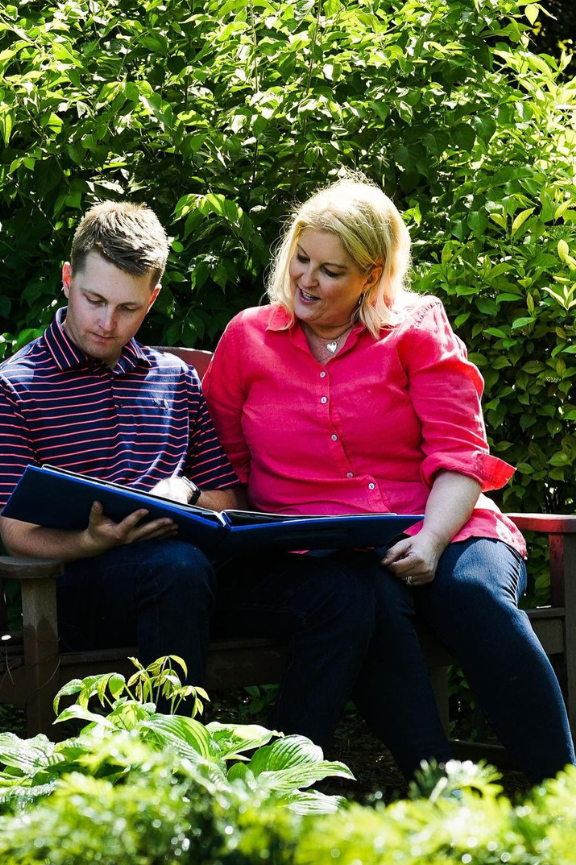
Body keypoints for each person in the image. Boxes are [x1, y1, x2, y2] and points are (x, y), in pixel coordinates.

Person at [203, 173, 575, 782]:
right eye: (301, 258)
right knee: (364, 598)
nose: (306, 279)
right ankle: (442, 792)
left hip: (445, 526)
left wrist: (429, 540)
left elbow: (460, 455)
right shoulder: (249, 338)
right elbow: (222, 463)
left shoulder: (417, 328)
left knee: (472, 597)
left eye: (331, 270)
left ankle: (563, 797)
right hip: (323, 551)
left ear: (371, 276)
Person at [0, 201, 377, 742]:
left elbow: (224, 501)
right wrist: (92, 541)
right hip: (76, 592)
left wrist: (184, 495)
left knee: (341, 591)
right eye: (94, 300)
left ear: (152, 299)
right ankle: (178, 780)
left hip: (188, 577)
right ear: (68, 280)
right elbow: (16, 535)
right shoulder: (14, 387)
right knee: (176, 567)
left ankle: (286, 777)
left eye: (128, 308)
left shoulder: (175, 381)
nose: (106, 323)